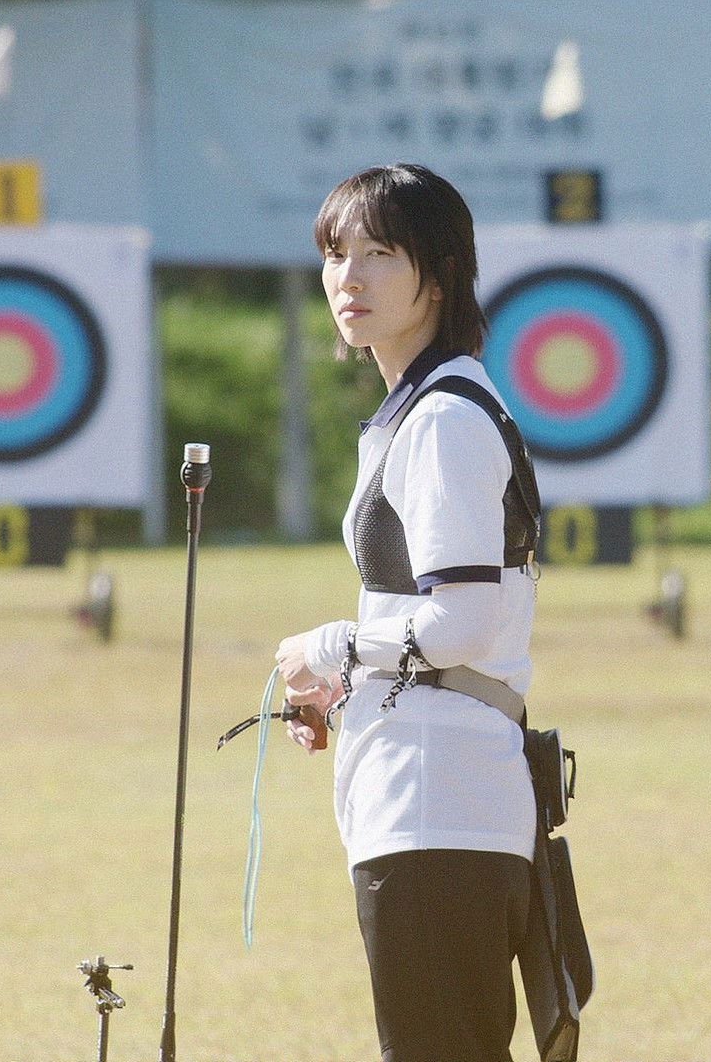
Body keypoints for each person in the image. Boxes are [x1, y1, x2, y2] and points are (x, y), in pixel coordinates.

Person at [273, 162, 538, 1062]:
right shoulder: (423, 408)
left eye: (381, 254)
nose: (349, 278)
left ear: (442, 273)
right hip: (434, 796)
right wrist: (345, 685)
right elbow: (431, 626)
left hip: (439, 800)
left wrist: (333, 649)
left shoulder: (442, 420)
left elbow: (465, 623)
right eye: (335, 253)